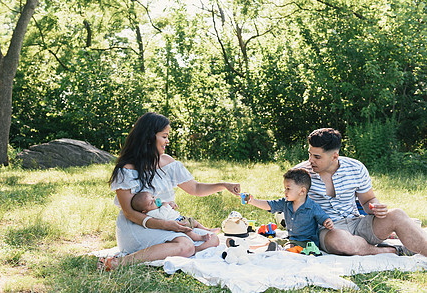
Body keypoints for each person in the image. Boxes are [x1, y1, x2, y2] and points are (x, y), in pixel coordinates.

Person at [99, 112, 240, 270]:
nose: (167, 141)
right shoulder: (126, 170)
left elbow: (195, 188)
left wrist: (224, 185)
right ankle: (120, 263)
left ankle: (182, 249)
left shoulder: (168, 162)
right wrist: (166, 225)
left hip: (169, 222)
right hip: (138, 226)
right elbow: (129, 213)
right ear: (150, 137)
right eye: (164, 136)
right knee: (185, 245)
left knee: (212, 239)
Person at [295, 128, 427, 256]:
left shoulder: (356, 168)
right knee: (340, 240)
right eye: (309, 154)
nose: (311, 160)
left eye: (317, 157)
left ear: (334, 156)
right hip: (328, 231)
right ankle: (390, 250)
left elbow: (368, 200)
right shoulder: (299, 174)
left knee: (397, 214)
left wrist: (375, 208)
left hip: (357, 223)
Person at [241, 168, 334, 249]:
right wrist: (253, 201)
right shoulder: (285, 203)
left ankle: (281, 249)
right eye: (285, 188)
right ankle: (255, 248)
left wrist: (327, 221)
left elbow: (324, 218)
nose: (285, 192)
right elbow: (270, 205)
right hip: (291, 239)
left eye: (288, 189)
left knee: (289, 247)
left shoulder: (313, 207)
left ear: (302, 191)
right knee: (274, 241)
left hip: (307, 243)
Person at [130, 191, 220, 243]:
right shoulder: (151, 213)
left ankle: (207, 229)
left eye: (153, 197)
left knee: (195, 222)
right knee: (188, 232)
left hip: (180, 218)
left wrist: (171, 203)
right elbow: (163, 216)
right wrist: (165, 205)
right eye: (151, 202)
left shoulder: (158, 205)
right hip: (176, 224)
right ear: (144, 211)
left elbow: (167, 204)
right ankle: (201, 238)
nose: (155, 200)